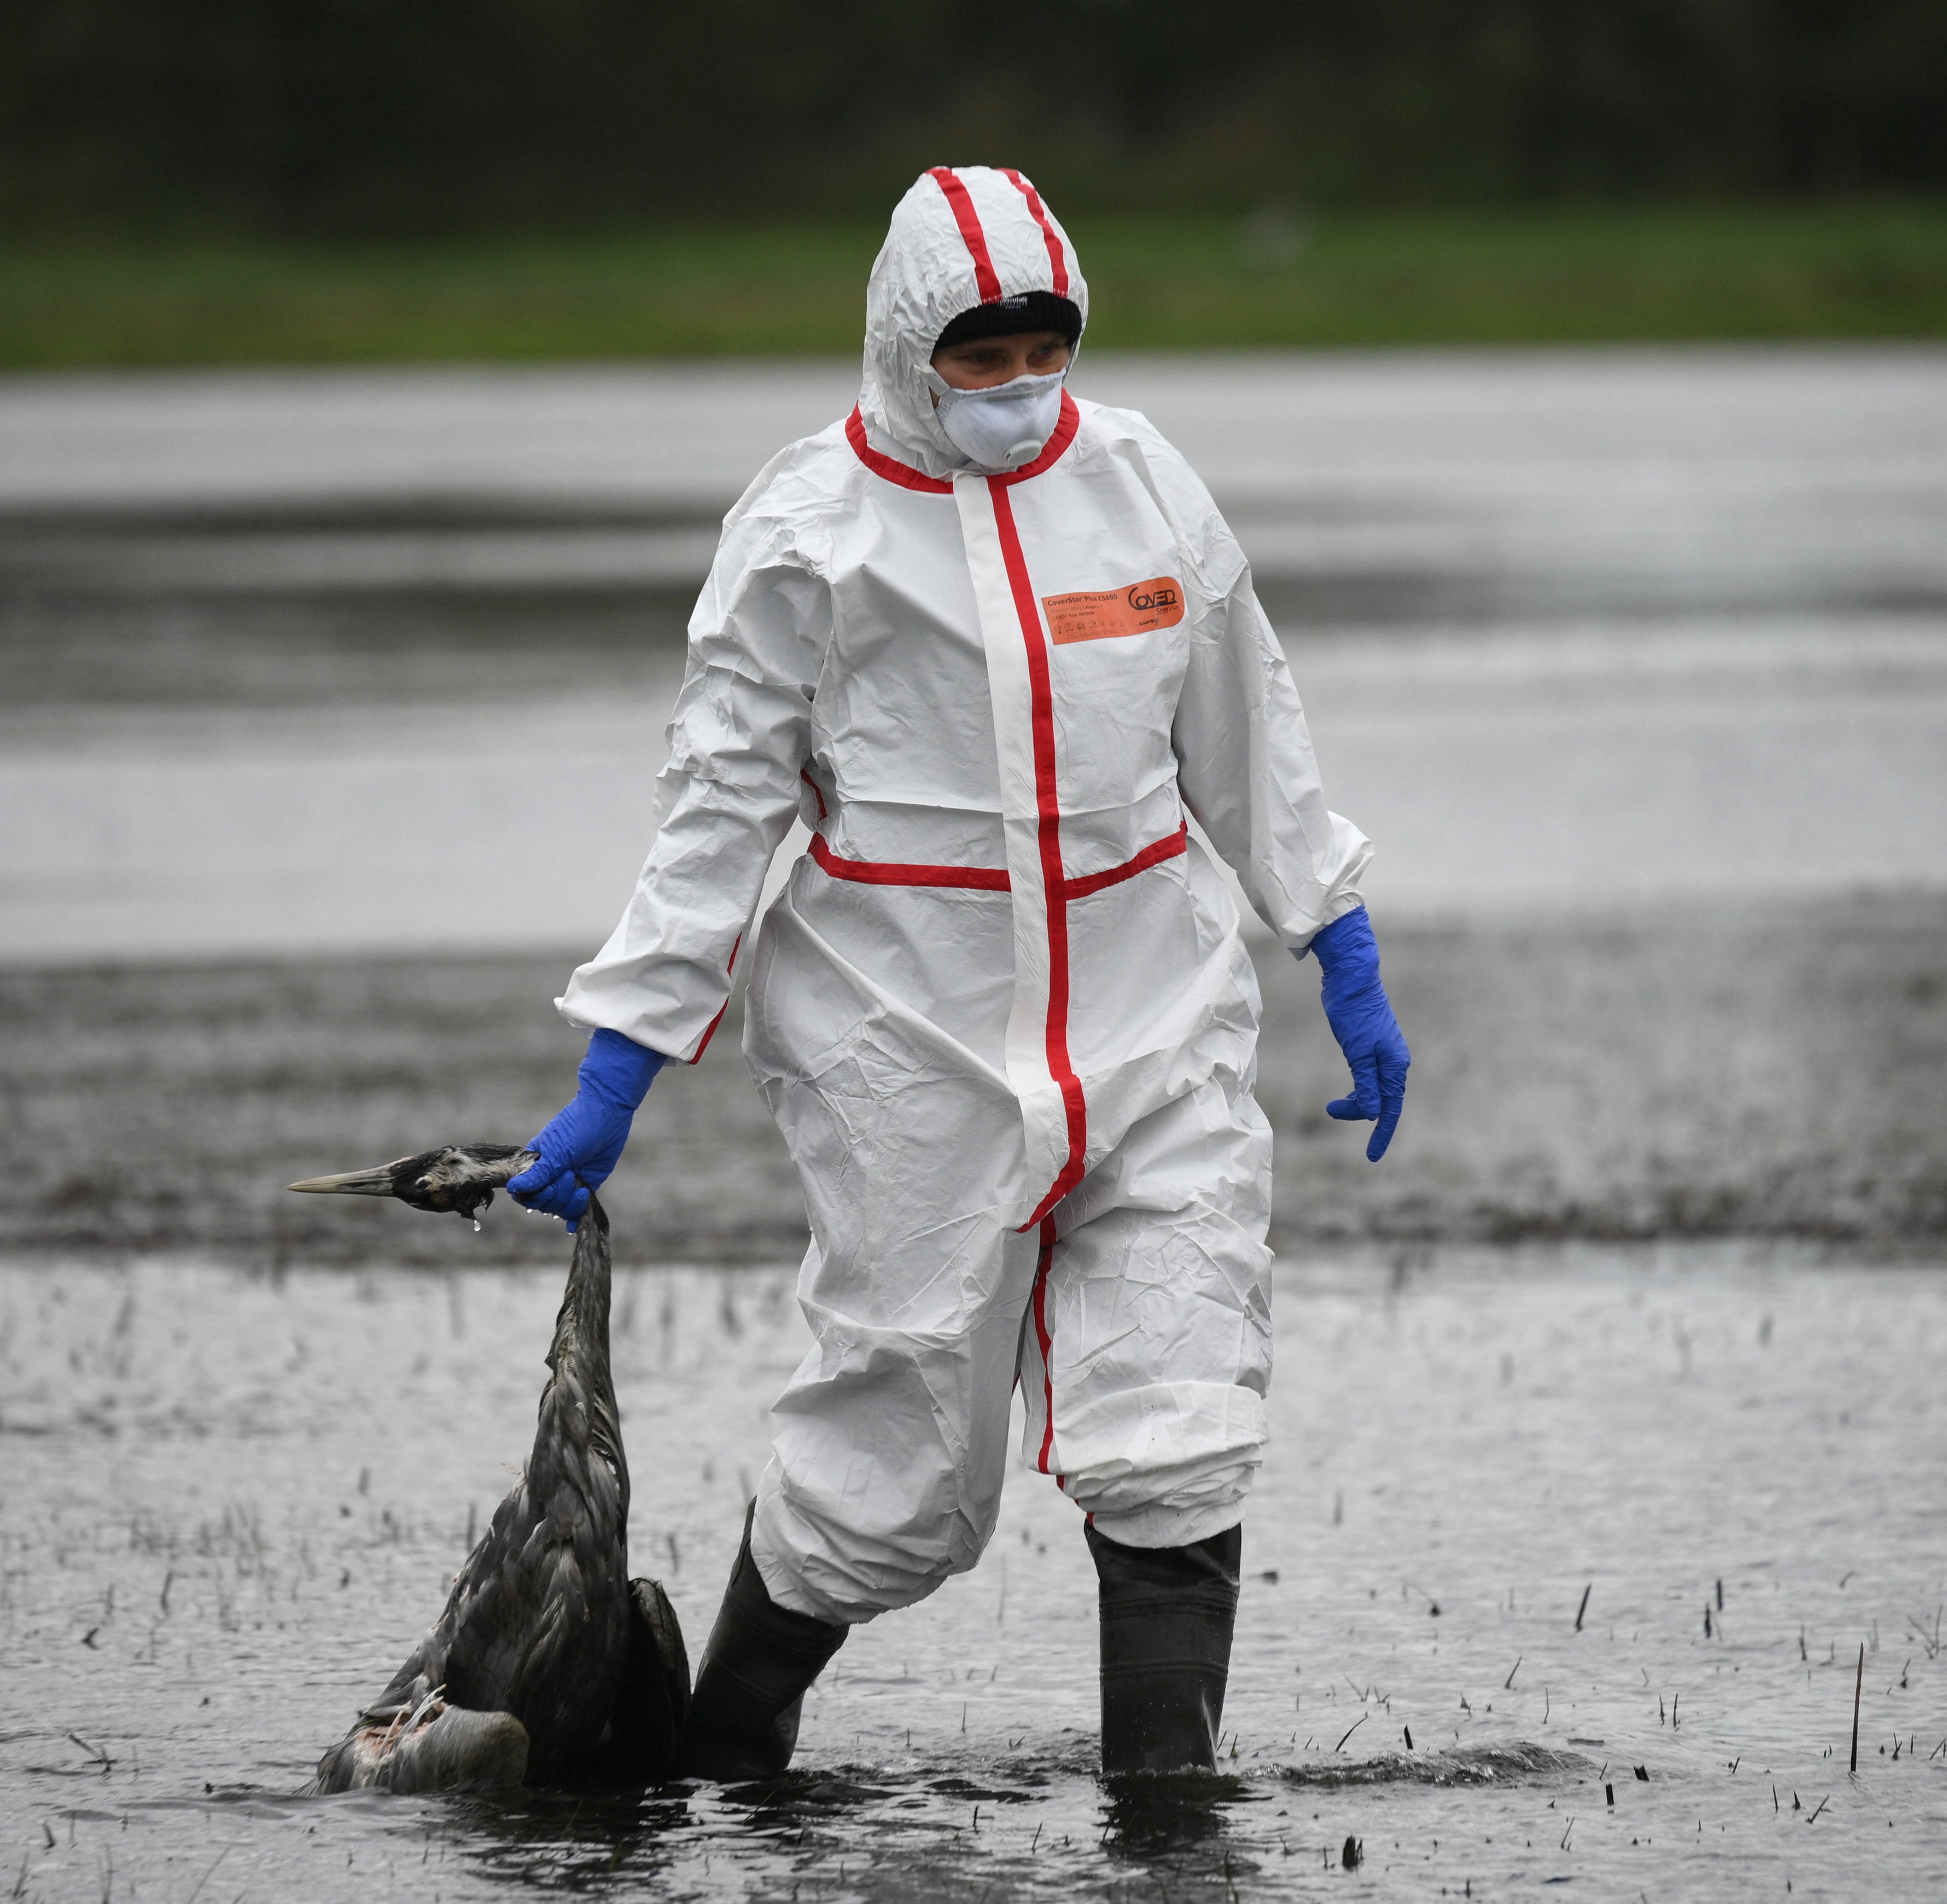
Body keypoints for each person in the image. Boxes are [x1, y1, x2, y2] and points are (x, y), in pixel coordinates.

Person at [504, 166, 1408, 1780]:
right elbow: (715, 813)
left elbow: (1247, 728)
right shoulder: (805, 533)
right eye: (976, 359)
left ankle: (1168, 1839)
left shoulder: (1141, 487)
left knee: (1181, 1416)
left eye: (1039, 349)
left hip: (1156, 1029)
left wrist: (1337, 945)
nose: (1013, 389)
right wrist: (614, 1072)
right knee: (894, 1463)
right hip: (903, 1045)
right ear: (905, 348)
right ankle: (721, 1768)